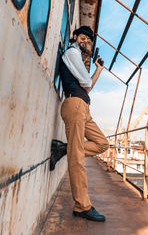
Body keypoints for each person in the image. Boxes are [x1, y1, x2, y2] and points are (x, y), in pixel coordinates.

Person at [53, 26, 109, 222]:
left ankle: (65, 148)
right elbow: (85, 82)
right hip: (75, 104)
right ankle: (82, 206)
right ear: (76, 37)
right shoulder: (72, 52)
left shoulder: (78, 57)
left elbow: (87, 86)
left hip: (83, 106)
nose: (86, 41)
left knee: (102, 144)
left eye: (89, 40)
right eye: (83, 37)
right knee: (77, 159)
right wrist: (88, 76)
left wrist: (98, 69)